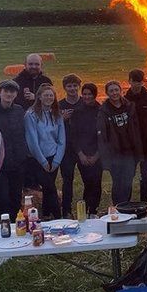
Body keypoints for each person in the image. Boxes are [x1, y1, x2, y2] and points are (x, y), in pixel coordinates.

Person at [0, 79, 28, 220]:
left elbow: (23, 133)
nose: (9, 94)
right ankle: (3, 226)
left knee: (16, 197)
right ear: (0, 92)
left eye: (12, 91)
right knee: (3, 199)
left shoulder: (19, 110)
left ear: (16, 94)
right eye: (6, 91)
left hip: (18, 162)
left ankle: (17, 225)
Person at [97, 81, 143, 205]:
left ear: (121, 91)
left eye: (116, 90)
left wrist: (138, 151)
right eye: (111, 91)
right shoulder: (104, 111)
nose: (114, 93)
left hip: (129, 151)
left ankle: (126, 205)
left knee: (128, 180)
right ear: (107, 93)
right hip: (115, 153)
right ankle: (118, 206)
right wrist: (106, 157)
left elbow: (136, 128)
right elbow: (103, 136)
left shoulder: (129, 106)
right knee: (118, 182)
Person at [25, 83, 66, 218]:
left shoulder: (57, 114)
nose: (49, 98)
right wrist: (42, 161)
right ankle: (58, 217)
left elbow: (61, 139)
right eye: (46, 95)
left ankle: (46, 216)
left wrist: (57, 160)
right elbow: (32, 140)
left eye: (51, 95)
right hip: (37, 158)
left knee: (49, 189)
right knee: (50, 188)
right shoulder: (31, 115)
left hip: (53, 157)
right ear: (39, 97)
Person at [69, 83, 103, 217]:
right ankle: (86, 209)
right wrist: (80, 154)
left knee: (96, 182)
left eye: (90, 94)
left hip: (97, 153)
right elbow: (74, 135)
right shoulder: (77, 111)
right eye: (85, 94)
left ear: (95, 95)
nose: (87, 97)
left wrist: (97, 155)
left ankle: (93, 210)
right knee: (88, 182)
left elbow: (104, 135)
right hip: (82, 153)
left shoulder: (101, 110)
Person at [124, 69, 147, 200]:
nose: (137, 85)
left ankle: (143, 201)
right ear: (129, 82)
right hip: (131, 145)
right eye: (134, 82)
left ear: (143, 82)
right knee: (128, 175)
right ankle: (125, 202)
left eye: (139, 82)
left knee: (146, 175)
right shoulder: (124, 101)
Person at [58, 74, 84, 218]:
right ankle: (66, 211)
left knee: (89, 180)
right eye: (69, 86)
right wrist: (61, 119)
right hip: (66, 149)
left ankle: (88, 209)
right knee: (67, 180)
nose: (72, 88)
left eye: (75, 85)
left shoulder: (84, 103)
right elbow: (51, 126)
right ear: (65, 88)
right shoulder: (60, 105)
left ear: (79, 86)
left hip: (84, 148)